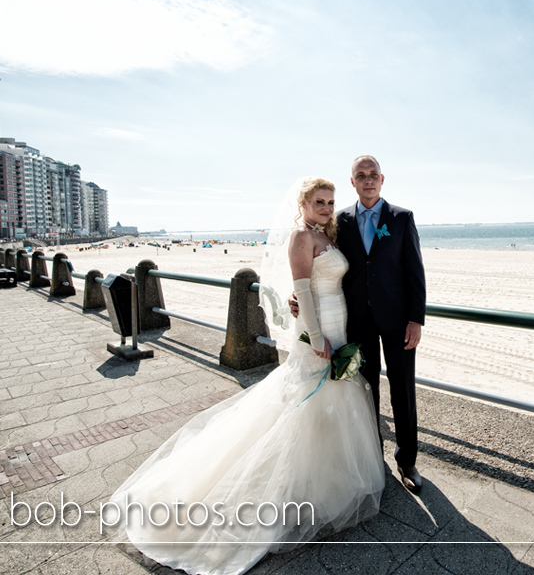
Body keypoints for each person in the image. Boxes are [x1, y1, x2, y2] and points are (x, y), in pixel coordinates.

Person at [105, 178, 384, 575]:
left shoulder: (326, 234)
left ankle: (328, 481)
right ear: (302, 204)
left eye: (330, 202)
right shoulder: (300, 237)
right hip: (317, 330)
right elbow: (302, 290)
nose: (326, 207)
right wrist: (317, 336)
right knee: (305, 403)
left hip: (339, 321)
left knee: (334, 401)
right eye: (319, 201)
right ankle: (293, 486)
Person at [293, 155, 426, 493]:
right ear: (353, 182)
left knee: (403, 390)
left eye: (373, 175)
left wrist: (415, 320)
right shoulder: (338, 221)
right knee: (365, 391)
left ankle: (407, 460)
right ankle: (371, 457)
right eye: (360, 175)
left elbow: (415, 273)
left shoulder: (402, 218)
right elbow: (311, 266)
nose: (368, 180)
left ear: (382, 179)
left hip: (398, 321)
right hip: (357, 322)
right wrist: (295, 299)